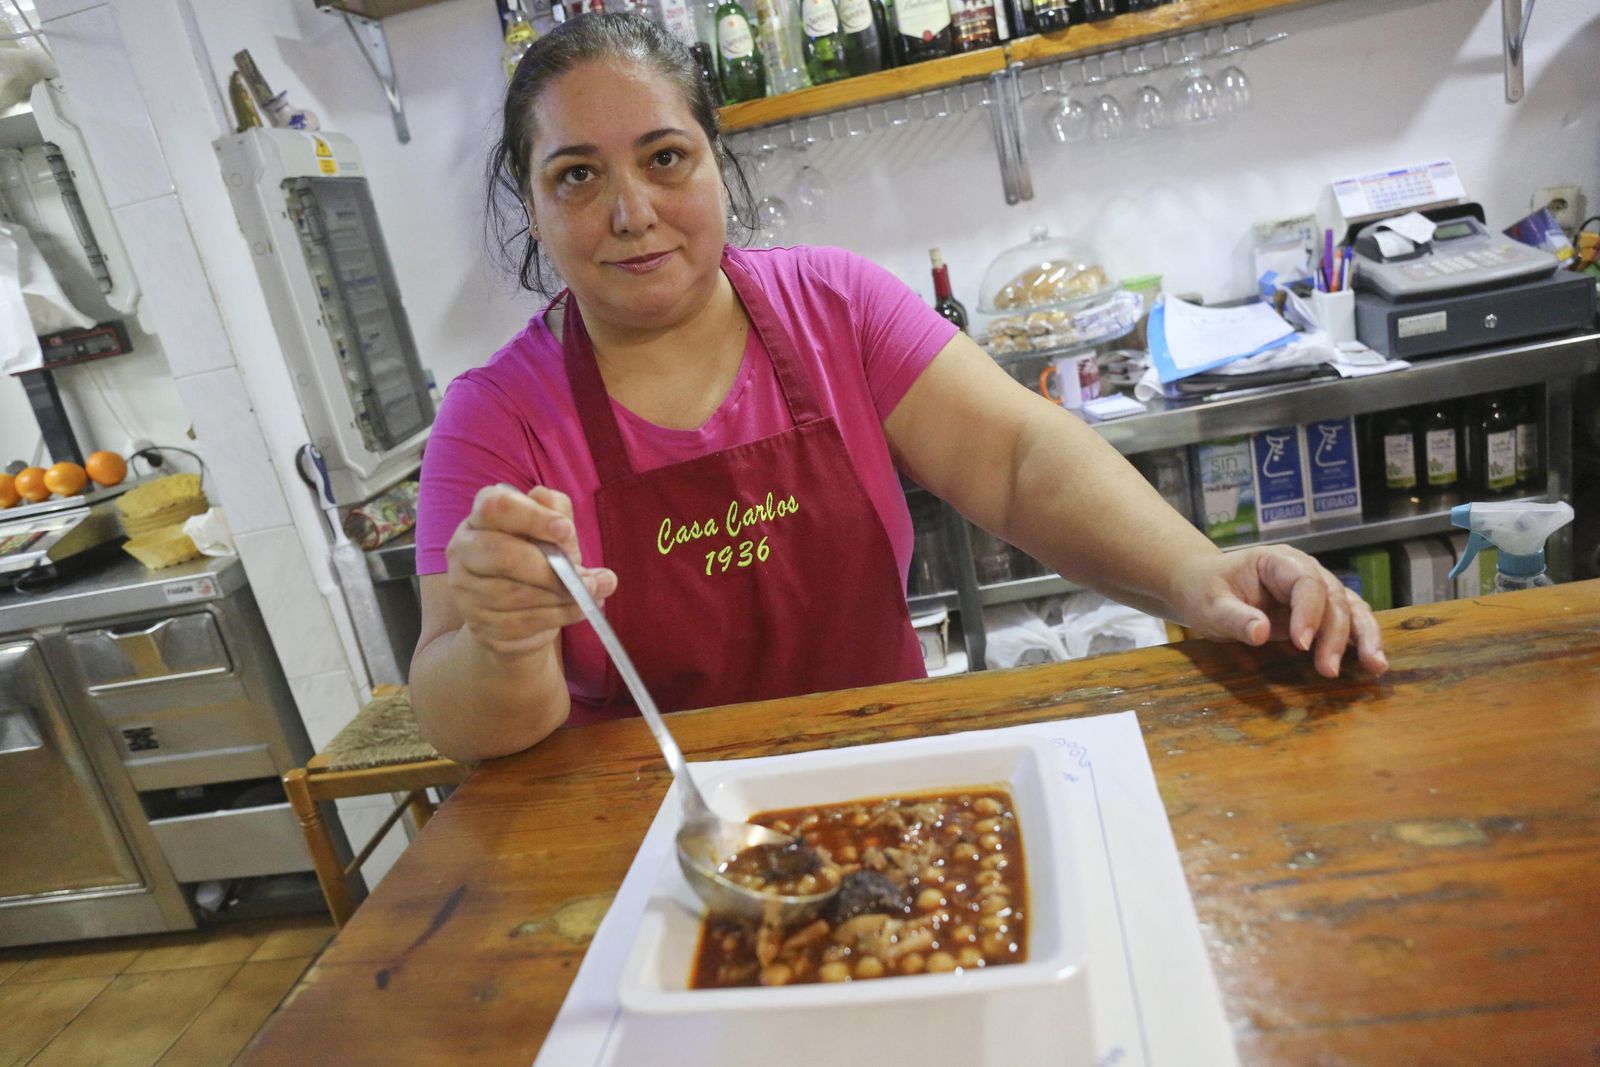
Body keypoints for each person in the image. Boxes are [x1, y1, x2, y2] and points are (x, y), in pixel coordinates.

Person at [411, 14, 1386, 763]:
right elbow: (459, 719)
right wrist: (503, 643)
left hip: (883, 776)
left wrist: (1196, 573)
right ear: (532, 209)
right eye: (576, 176)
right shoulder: (495, 419)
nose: (631, 212)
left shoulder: (831, 303)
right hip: (660, 829)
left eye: (665, 158)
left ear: (717, 161)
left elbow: (1017, 458)